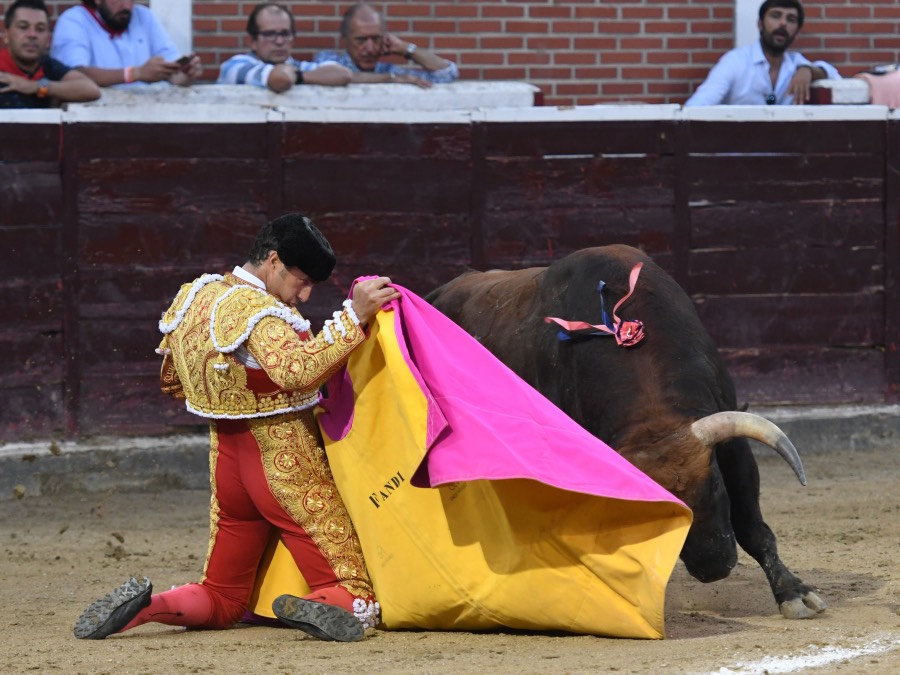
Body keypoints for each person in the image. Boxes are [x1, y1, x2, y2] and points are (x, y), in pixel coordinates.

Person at [73, 213, 400, 642]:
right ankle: (316, 604)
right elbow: (297, 372)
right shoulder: (258, 312)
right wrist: (352, 316)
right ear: (273, 261)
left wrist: (238, 389)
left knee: (223, 596)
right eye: (300, 280)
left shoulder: (198, 296)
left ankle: (150, 608)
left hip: (228, 465)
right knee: (358, 597)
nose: (302, 296)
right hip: (284, 463)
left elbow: (173, 379)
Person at [685, 0, 840, 106]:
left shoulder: (796, 63)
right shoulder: (736, 61)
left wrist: (810, 71)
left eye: (791, 19)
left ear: (797, 31)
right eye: (775, 15)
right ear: (760, 24)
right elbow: (697, 106)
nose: (783, 23)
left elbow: (836, 79)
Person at [49, 0, 201, 88]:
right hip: (95, 121)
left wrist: (185, 73)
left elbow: (173, 74)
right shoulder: (73, 21)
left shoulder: (143, 16)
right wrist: (136, 74)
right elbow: (74, 77)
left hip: (148, 115)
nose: (127, 6)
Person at [314, 2, 458, 89]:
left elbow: (447, 74)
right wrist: (390, 79)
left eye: (376, 39)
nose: (370, 48)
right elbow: (329, 75)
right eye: (361, 40)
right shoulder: (327, 60)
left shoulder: (388, 70)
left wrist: (406, 49)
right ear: (345, 39)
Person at [217, 3, 351, 91]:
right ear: (252, 41)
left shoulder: (295, 67)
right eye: (269, 34)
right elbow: (280, 79)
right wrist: (305, 77)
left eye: (285, 33)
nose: (280, 41)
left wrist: (299, 76)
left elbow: (343, 74)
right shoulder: (235, 66)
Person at [0, 0, 99, 108]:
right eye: (23, 27)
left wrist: (37, 87)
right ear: (6, 36)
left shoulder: (48, 66)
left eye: (40, 29)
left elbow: (91, 89)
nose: (32, 35)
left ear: (48, 40)